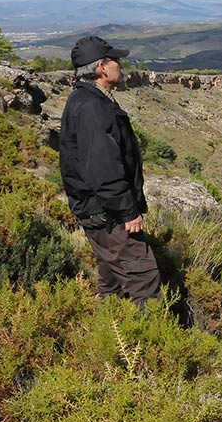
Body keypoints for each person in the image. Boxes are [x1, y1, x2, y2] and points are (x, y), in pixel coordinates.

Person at [59, 35, 161, 305]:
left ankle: (111, 331)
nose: (120, 65)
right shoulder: (92, 107)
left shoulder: (88, 100)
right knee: (143, 279)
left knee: (113, 280)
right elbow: (103, 167)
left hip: (98, 210)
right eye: (115, 60)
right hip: (108, 213)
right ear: (102, 67)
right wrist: (127, 210)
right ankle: (152, 343)